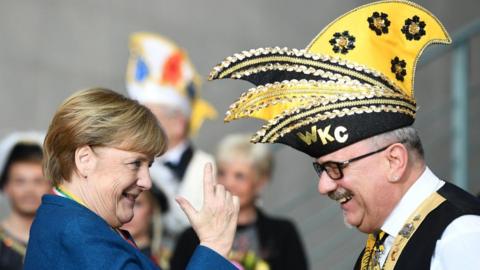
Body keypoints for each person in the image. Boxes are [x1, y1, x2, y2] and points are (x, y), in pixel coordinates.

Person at [208, 1, 480, 269]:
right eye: (322, 169)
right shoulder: (381, 242)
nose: (323, 186)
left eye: (336, 167)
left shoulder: (461, 234)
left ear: (394, 161)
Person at [24, 88, 240, 270]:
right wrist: (214, 246)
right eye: (135, 163)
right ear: (85, 159)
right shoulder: (79, 233)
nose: (147, 182)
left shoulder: (74, 223)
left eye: (149, 165)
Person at [126, 32, 218, 256]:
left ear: (178, 123)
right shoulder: (130, 163)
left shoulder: (209, 167)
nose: (140, 124)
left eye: (149, 116)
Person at [171, 134, 308, 270]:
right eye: (222, 173)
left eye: (239, 176)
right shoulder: (191, 237)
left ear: (261, 181)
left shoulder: (283, 233)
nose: (228, 183)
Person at [0, 132, 50, 270]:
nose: (29, 190)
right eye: (20, 181)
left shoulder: (63, 240)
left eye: (38, 181)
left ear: (50, 186)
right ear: (5, 186)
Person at [121, 190, 164, 267]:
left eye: (137, 204)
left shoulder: (166, 260)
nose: (128, 212)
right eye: (122, 203)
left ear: (152, 210)